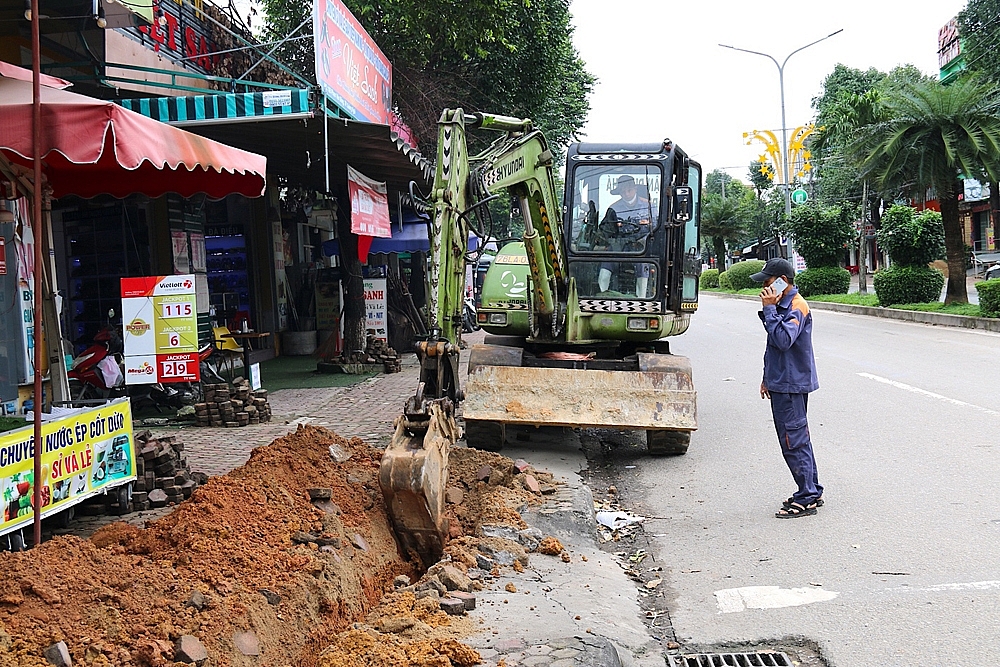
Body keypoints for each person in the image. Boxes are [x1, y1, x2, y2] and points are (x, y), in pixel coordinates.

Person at [751, 257, 823, 519]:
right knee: (798, 438)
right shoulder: (782, 303)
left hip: (791, 384)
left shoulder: (796, 305)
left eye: (768, 282)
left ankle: (807, 498)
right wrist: (767, 377)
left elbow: (782, 340)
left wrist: (769, 309)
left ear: (782, 280)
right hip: (782, 381)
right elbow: (773, 347)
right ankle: (812, 489)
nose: (764, 289)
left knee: (794, 441)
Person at [597, 175, 655, 296]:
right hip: (619, 247)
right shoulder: (613, 209)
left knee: (643, 265)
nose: (626, 193)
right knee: (605, 265)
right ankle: (601, 295)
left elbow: (656, 227)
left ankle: (642, 299)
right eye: (623, 191)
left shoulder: (648, 207)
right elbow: (605, 230)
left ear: (635, 189)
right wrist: (605, 240)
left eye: (629, 190)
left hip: (641, 247)